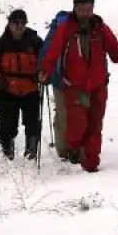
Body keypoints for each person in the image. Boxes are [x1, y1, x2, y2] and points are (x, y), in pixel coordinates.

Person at [38, 0, 118, 173]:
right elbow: (53, 52)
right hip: (74, 87)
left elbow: (115, 53)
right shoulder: (66, 29)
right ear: (75, 8)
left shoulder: (101, 28)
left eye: (88, 10)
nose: (85, 14)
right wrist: (44, 71)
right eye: (82, 10)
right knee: (78, 125)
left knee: (95, 125)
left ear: (93, 8)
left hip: (98, 86)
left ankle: (91, 164)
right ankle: (74, 151)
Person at [0, 9, 43, 160]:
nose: (20, 26)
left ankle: (31, 149)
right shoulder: (0, 44)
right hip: (7, 89)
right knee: (7, 122)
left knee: (32, 122)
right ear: (9, 23)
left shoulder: (35, 42)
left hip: (30, 88)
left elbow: (44, 61)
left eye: (22, 22)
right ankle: (8, 149)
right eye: (16, 23)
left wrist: (43, 73)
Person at [39, 10, 71, 162]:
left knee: (62, 113)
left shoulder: (54, 30)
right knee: (76, 113)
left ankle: (63, 149)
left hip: (58, 80)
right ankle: (74, 148)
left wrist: (44, 72)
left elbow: (46, 52)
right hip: (74, 80)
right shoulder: (76, 27)